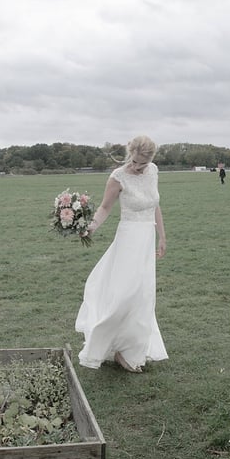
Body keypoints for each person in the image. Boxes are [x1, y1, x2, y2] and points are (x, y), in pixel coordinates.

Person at [75, 135, 168, 373]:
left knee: (142, 296)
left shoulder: (154, 171)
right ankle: (108, 342)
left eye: (143, 164)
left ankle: (128, 351)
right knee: (125, 295)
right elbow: (105, 207)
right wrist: (90, 228)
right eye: (135, 162)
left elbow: (155, 204)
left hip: (146, 239)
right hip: (128, 239)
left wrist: (162, 236)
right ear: (130, 154)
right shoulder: (118, 176)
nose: (138, 167)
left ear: (151, 160)